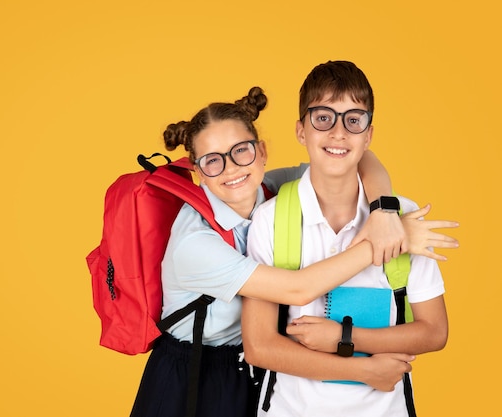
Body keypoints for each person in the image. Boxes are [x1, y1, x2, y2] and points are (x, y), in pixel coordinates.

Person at [130, 86, 458, 417]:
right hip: (195, 372)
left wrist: (385, 212)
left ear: (261, 151)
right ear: (198, 171)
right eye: (213, 161)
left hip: (252, 370)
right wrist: (393, 238)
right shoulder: (195, 242)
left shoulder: (269, 186)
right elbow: (297, 290)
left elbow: (356, 156)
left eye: (240, 151)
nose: (231, 169)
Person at [242, 60, 451, 417]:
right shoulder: (271, 219)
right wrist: (359, 365)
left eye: (354, 120)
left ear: (368, 136)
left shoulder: (405, 217)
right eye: (323, 117)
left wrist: (345, 338)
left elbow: (434, 331)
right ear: (300, 131)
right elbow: (260, 346)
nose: (339, 133)